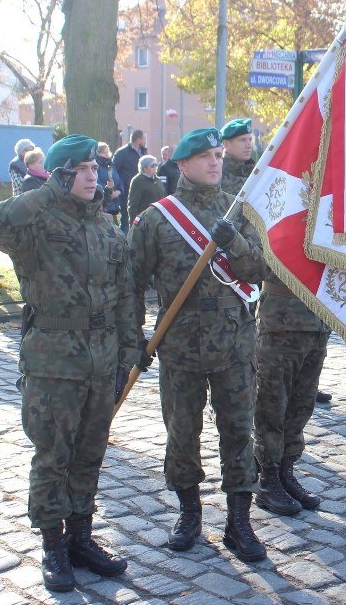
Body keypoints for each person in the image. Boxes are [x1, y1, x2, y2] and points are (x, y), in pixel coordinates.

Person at [0, 134, 135, 592]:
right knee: (53, 456)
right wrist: (47, 190)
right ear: (62, 174)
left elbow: (125, 295)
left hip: (102, 360)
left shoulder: (108, 228)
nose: (94, 176)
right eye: (82, 169)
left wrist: (129, 350)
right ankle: (52, 544)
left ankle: (80, 538)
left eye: (94, 168)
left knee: (90, 454)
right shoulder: (35, 223)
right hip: (53, 362)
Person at [128, 128, 267, 562]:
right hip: (180, 348)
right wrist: (133, 338)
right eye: (204, 157)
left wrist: (234, 241)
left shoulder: (239, 212)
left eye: (217, 155)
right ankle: (189, 513)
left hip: (234, 346)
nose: (215, 162)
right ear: (182, 165)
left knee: (239, 433)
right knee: (182, 434)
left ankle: (239, 522)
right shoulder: (157, 218)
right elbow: (130, 284)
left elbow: (261, 270)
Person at [253, 268, 331, 516]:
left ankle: (286, 471)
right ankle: (268, 478)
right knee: (272, 403)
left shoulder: (327, 226)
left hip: (318, 319)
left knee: (302, 403)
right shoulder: (270, 226)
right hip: (281, 320)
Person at [112, 129, 147, 232]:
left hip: (142, 192)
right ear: (138, 139)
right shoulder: (122, 153)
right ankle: (123, 242)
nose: (145, 141)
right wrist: (120, 186)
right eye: (144, 139)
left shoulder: (144, 152)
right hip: (126, 191)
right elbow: (114, 170)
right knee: (126, 218)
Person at [220, 118, 256, 195]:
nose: (249, 145)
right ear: (226, 144)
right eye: (242, 140)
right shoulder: (216, 174)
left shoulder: (256, 173)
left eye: (250, 139)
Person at [126, 154, 165, 224]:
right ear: (145, 168)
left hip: (159, 219)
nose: (155, 167)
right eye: (152, 165)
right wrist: (134, 223)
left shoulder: (158, 180)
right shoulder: (138, 181)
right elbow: (133, 204)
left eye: (156, 164)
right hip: (144, 220)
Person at [96, 142, 123, 218]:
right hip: (103, 205)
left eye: (107, 152)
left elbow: (119, 178)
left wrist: (119, 190)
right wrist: (109, 191)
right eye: (103, 152)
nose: (107, 154)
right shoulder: (96, 166)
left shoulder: (111, 164)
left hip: (115, 204)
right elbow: (97, 182)